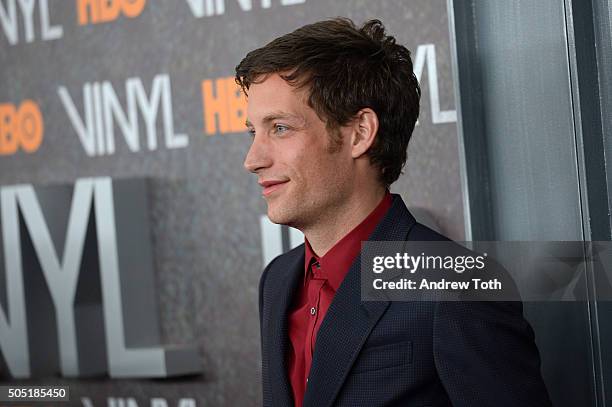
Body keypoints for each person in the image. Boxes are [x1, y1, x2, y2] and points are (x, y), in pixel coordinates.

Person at [236, 17, 552, 407]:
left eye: (280, 128)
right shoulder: (278, 280)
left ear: (359, 133)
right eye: (254, 132)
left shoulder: (454, 285)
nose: (253, 159)